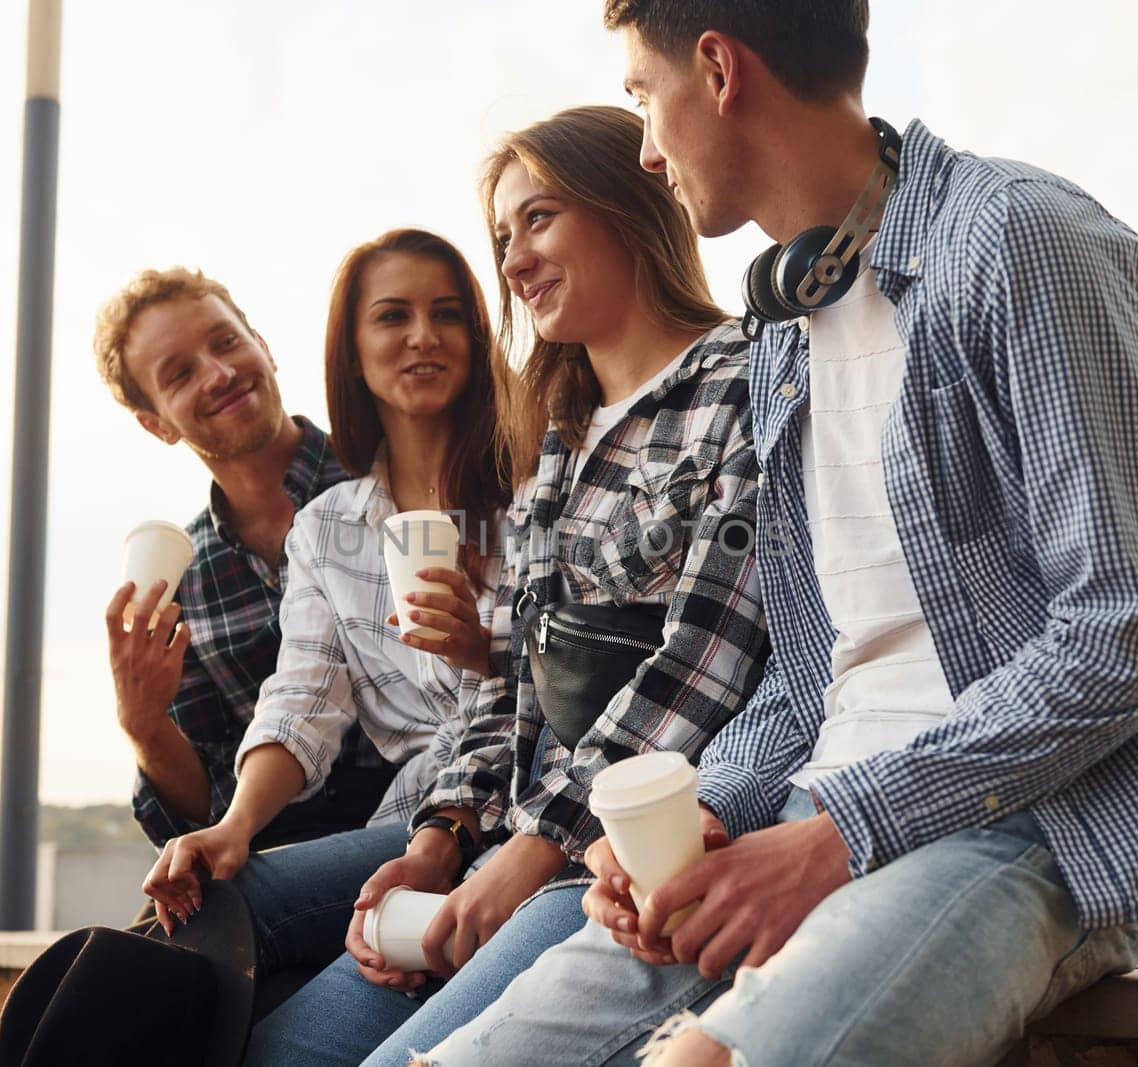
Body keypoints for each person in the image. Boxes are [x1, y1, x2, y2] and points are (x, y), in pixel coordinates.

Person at [420, 3, 1138, 1065]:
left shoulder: (1022, 242)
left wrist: (841, 832)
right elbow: (812, 683)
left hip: (1032, 823)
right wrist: (701, 817)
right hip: (809, 816)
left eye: (641, 97)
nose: (644, 146)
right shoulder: (783, 334)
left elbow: (1130, 633)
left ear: (716, 69)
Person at [239, 105, 770, 1067]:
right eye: (503, 236)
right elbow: (511, 687)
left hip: (628, 858)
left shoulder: (744, 381)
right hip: (512, 840)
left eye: (540, 219)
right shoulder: (560, 438)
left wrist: (526, 854)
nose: (515, 262)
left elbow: (706, 655)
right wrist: (442, 833)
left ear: (631, 204)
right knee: (281, 1050)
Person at [140, 228, 507, 922]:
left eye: (448, 313)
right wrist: (236, 824)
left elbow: (574, 675)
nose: (423, 335)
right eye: (394, 316)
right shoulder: (326, 528)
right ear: (353, 350)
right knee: (173, 936)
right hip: (412, 823)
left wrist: (478, 650)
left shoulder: (537, 477)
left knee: (225, 930)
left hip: (521, 810)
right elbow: (302, 699)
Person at [95, 268, 394, 855]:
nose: (219, 373)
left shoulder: (394, 485)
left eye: (226, 342)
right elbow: (202, 809)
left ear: (264, 346)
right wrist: (144, 725)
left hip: (419, 829)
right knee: (110, 950)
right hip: (271, 851)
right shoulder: (179, 577)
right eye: (180, 373)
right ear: (156, 424)